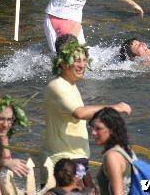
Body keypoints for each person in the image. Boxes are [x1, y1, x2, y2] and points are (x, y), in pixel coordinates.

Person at [39, 40, 132, 190]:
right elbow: (79, 113)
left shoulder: (71, 86)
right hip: (61, 162)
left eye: (84, 60)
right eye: (76, 61)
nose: (82, 65)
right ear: (63, 64)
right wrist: (115, 107)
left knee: (92, 190)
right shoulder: (57, 86)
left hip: (76, 159)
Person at [90, 107, 134, 195]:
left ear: (112, 130)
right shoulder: (125, 149)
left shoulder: (112, 156)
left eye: (98, 128)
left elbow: (119, 193)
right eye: (92, 128)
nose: (93, 133)